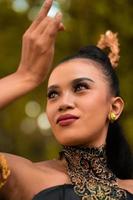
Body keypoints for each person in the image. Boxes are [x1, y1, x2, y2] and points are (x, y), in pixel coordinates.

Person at [0, 0, 133, 200]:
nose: (63, 103)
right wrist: (25, 76)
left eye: (80, 87)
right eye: (53, 94)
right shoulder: (24, 177)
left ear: (114, 107)